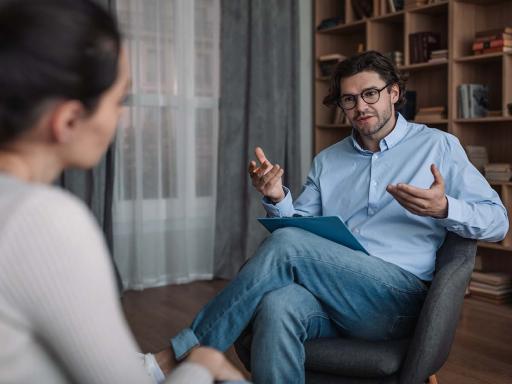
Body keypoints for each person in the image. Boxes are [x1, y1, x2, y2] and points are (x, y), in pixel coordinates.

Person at [159, 50, 509, 383]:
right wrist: (277, 196)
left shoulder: (438, 146)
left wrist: (445, 208)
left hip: (398, 301)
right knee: (276, 305)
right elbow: (302, 227)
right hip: (334, 295)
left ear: (394, 93)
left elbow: (498, 222)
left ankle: (184, 353)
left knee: (288, 245)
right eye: (349, 99)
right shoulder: (328, 160)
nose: (361, 106)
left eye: (370, 94)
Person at [0, 0, 246, 383]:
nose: (122, 116)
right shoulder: (41, 220)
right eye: (120, 101)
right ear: (68, 120)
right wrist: (205, 365)